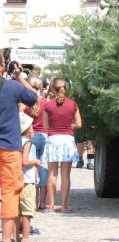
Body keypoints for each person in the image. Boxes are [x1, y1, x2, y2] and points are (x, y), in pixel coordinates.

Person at [0, 55, 37, 242]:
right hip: (8, 147)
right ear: (2, 65)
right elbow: (33, 98)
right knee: (10, 192)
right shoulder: (12, 87)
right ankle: (6, 241)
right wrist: (19, 76)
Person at [43, 78, 82, 213]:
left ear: (52, 89)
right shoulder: (73, 104)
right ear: (66, 88)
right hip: (67, 140)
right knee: (66, 175)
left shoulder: (48, 106)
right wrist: (70, 125)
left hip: (53, 139)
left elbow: (46, 126)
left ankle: (51, 205)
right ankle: (64, 206)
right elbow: (79, 124)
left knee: (52, 175)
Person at [21, 77, 49, 211]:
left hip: (30, 136)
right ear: (41, 87)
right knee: (43, 168)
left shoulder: (25, 104)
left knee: (32, 168)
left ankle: (33, 200)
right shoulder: (46, 102)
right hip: (44, 135)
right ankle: (43, 202)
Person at [18, 113, 40, 242]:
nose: (33, 129)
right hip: (27, 181)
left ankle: (16, 237)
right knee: (27, 211)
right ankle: (25, 238)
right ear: (26, 129)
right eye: (31, 127)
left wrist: (36, 173)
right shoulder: (27, 142)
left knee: (16, 211)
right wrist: (36, 162)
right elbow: (25, 161)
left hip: (18, 179)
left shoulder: (15, 141)